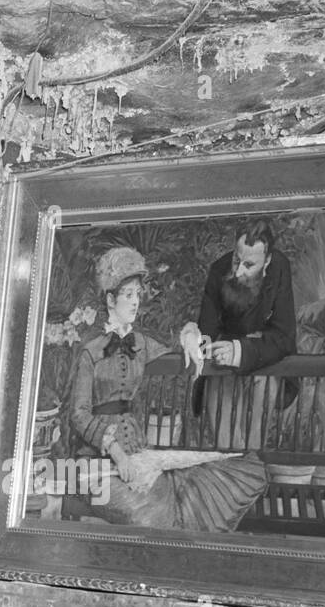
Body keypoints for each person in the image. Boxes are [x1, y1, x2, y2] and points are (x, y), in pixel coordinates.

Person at [66, 246, 268, 532]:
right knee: (153, 513)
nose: (136, 302)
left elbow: (176, 343)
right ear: (110, 300)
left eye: (138, 294)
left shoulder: (142, 343)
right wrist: (117, 452)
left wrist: (189, 336)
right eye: (128, 295)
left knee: (198, 488)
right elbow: (79, 415)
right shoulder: (90, 351)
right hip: (96, 464)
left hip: (138, 453)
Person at [182, 221, 298, 450]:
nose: (238, 271)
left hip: (263, 363)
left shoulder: (279, 268)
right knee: (226, 446)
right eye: (237, 260)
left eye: (248, 264)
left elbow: (284, 335)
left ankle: (250, 473)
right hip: (221, 365)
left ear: (267, 262)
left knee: (254, 448)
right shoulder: (219, 269)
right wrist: (191, 336)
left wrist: (241, 350)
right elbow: (207, 330)